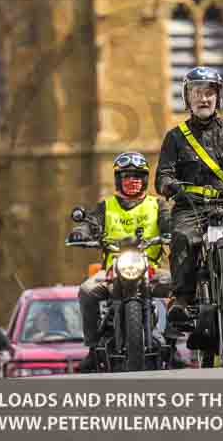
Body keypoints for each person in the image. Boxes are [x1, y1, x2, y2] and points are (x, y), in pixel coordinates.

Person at [156, 66, 223, 329]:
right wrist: (170, 185)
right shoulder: (175, 138)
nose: (204, 99)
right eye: (197, 93)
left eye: (210, 93)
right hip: (190, 207)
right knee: (181, 238)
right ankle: (181, 300)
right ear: (188, 98)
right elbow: (163, 175)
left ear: (217, 98)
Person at [77, 151, 170, 373]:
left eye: (137, 177)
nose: (132, 181)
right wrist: (81, 231)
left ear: (145, 180)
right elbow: (90, 224)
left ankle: (173, 342)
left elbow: (169, 223)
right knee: (86, 291)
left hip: (151, 270)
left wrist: (173, 232)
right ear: (119, 180)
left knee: (183, 285)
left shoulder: (158, 205)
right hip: (112, 272)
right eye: (127, 176)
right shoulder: (106, 206)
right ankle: (91, 348)